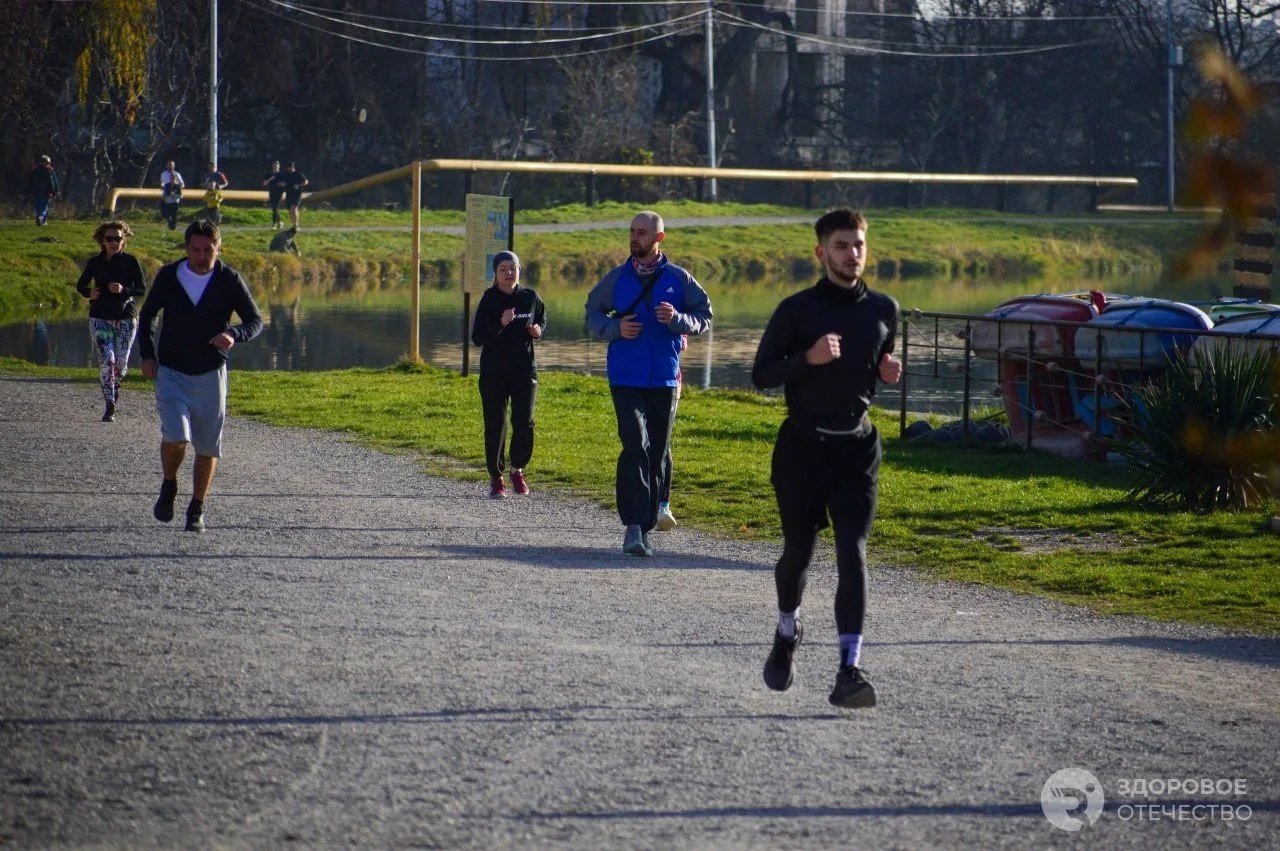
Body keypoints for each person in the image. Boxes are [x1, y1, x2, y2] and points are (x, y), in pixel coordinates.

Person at [751, 208, 903, 709]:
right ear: (821, 253)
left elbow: (876, 368)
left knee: (852, 552)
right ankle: (787, 628)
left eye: (858, 244)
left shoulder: (884, 309)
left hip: (857, 449)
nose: (851, 254)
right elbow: (762, 374)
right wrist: (806, 360)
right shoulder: (797, 311)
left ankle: (849, 668)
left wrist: (887, 371)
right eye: (841, 246)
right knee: (798, 553)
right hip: (801, 449)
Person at [585, 211, 712, 557]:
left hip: (664, 379)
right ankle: (634, 526)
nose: (634, 238)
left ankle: (649, 519)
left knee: (657, 451)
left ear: (659, 238)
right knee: (634, 445)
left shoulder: (679, 279)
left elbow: (705, 316)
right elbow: (592, 312)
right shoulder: (616, 279)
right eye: (632, 232)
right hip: (625, 377)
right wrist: (615, 330)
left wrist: (678, 320)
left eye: (641, 233)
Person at [136, 220, 263, 533]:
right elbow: (148, 316)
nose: (202, 255)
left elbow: (254, 320)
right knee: (176, 436)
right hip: (172, 371)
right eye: (195, 249)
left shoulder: (229, 279)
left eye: (209, 249)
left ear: (219, 249)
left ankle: (196, 509)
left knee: (207, 446)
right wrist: (147, 355)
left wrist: (233, 334)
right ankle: (169, 485)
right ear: (186, 249)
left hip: (210, 372)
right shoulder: (169, 275)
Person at [470, 250, 547, 498]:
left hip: (524, 369)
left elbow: (542, 319)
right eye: (503, 269)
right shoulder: (489, 300)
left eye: (512, 268)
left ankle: (518, 469)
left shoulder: (530, 297)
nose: (508, 273)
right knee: (496, 424)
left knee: (525, 422)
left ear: (519, 270)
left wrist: (538, 330)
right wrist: (501, 323)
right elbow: (477, 338)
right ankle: (497, 477)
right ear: (496, 273)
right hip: (494, 372)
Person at [75, 221, 148, 422]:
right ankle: (110, 405)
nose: (114, 242)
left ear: (124, 241)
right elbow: (80, 285)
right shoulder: (95, 263)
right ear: (102, 241)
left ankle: (115, 386)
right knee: (107, 360)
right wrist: (89, 292)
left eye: (118, 238)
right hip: (100, 318)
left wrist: (124, 290)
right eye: (110, 239)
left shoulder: (131, 262)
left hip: (125, 319)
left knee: (121, 364)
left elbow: (142, 288)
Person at [654, 333, 687, 531]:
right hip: (635, 382)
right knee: (640, 442)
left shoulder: (673, 305)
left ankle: (663, 506)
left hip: (669, 382)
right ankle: (644, 503)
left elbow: (683, 341)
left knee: (663, 442)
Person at [28, 155, 60, 226]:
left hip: (36, 192)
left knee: (38, 206)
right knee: (45, 206)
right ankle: (41, 218)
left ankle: (41, 220)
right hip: (46, 192)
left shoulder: (34, 171)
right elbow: (52, 181)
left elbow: (30, 181)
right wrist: (54, 191)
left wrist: (30, 191)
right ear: (48, 162)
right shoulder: (49, 171)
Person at [280, 162, 309, 230]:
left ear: (293, 167)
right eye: (287, 167)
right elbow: (281, 182)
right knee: (290, 210)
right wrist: (282, 184)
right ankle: (294, 225)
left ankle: (296, 225)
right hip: (289, 194)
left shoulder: (298, 174)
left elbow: (306, 182)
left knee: (294, 208)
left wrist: (298, 185)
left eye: (289, 167)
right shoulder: (285, 175)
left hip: (297, 194)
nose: (288, 169)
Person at [159, 160, 184, 231]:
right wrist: (163, 187)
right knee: (163, 210)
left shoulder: (177, 174)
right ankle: (169, 220)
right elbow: (162, 183)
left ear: (174, 166)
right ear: (167, 166)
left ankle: (172, 228)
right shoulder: (163, 174)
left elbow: (182, 185)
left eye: (171, 165)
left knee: (173, 215)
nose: (170, 166)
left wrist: (175, 190)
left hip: (174, 200)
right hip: (166, 197)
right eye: (169, 165)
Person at [262, 160, 285, 229]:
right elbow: (264, 184)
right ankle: (279, 222)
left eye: (277, 165)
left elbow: (285, 184)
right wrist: (270, 179)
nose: (275, 166)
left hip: (279, 192)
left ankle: (274, 224)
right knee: (274, 208)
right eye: (274, 165)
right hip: (271, 192)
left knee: (275, 207)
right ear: (272, 166)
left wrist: (281, 184)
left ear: (279, 166)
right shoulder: (269, 174)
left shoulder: (282, 174)